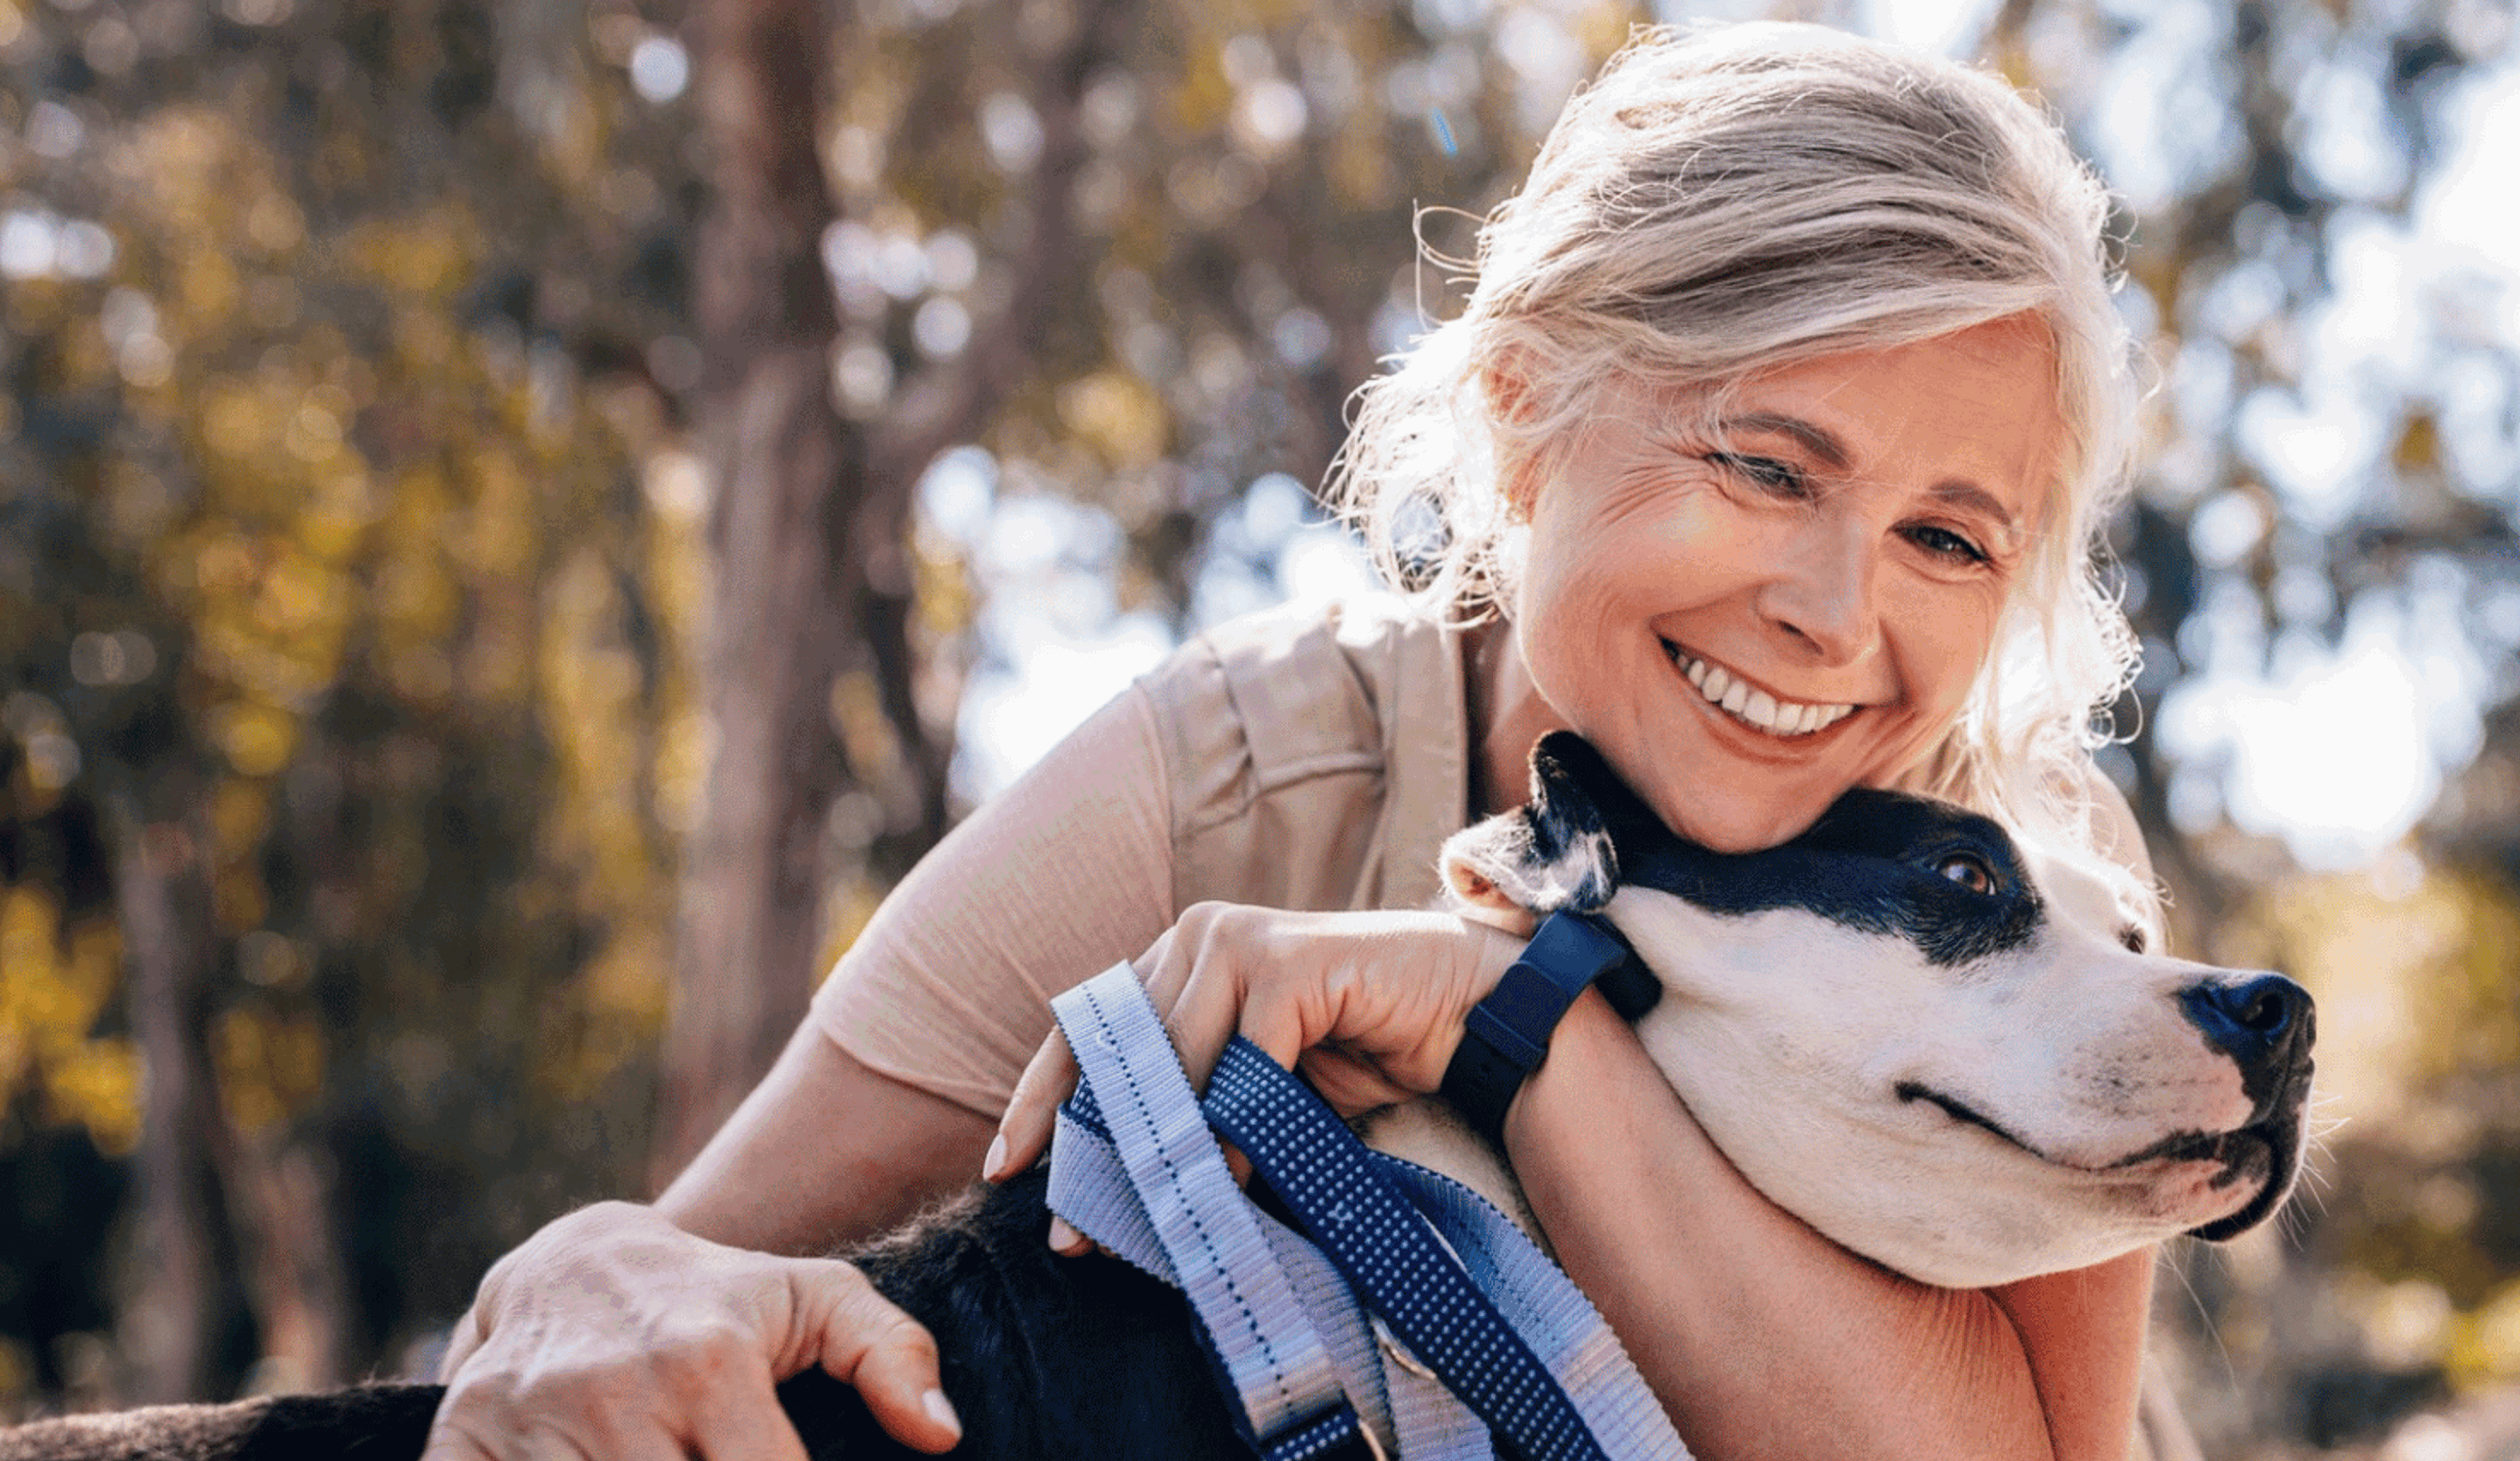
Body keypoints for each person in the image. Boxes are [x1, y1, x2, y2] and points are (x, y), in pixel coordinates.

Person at [428, 20, 2173, 1461]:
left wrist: (1508, 1023)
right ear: (1521, 408)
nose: (1832, 611)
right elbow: (665, 1273)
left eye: (1950, 538)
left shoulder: (2025, 874)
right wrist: (588, 1271)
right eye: (1768, 466)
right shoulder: (1236, 774)